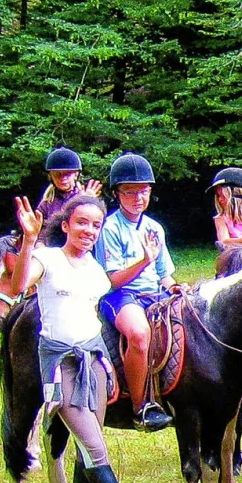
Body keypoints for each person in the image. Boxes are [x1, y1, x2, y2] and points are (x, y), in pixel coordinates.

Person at [5, 192, 154, 483]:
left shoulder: (93, 268)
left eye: (96, 225)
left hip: (95, 360)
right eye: (83, 223)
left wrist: (145, 260)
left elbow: (112, 284)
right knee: (95, 445)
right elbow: (19, 284)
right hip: (60, 364)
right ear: (67, 224)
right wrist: (28, 239)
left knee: (87, 448)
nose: (89, 230)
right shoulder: (47, 258)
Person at [92, 152, 177, 431]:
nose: (138, 198)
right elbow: (113, 280)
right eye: (130, 192)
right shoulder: (109, 228)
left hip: (154, 292)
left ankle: (181, 393)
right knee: (139, 334)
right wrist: (144, 260)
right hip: (122, 295)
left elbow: (164, 274)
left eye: (143, 191)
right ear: (117, 194)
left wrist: (175, 286)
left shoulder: (154, 227)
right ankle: (140, 407)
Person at [36, 148, 101, 226]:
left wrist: (88, 203)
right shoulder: (46, 204)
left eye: (68, 174)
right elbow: (38, 232)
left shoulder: (85, 196)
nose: (63, 178)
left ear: (76, 175)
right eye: (57, 174)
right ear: (50, 176)